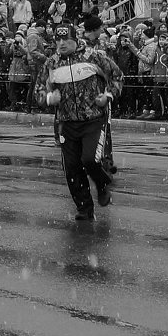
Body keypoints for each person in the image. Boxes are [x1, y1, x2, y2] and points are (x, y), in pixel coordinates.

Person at [37, 22, 123, 222]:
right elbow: (39, 91)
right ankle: (84, 207)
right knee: (72, 168)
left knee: (90, 160)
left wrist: (108, 96)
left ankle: (102, 185)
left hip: (93, 119)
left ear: (75, 39)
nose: (61, 44)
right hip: (67, 123)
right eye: (58, 40)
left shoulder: (93, 57)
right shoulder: (52, 63)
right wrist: (50, 99)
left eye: (66, 39)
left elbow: (117, 76)